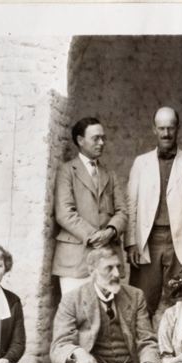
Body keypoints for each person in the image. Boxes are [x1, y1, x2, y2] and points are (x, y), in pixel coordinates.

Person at [124, 107, 182, 320]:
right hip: (148, 241)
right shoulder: (141, 163)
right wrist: (131, 242)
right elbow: (131, 204)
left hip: (181, 242)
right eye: (161, 129)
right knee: (141, 303)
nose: (166, 134)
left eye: (170, 128)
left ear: (178, 129)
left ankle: (176, 352)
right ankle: (141, 353)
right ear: (154, 130)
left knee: (180, 302)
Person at [52, 117, 128, 295]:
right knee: (76, 312)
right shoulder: (66, 171)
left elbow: (122, 212)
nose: (101, 143)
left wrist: (110, 231)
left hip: (107, 259)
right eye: (96, 138)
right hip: (75, 260)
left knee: (106, 313)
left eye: (103, 138)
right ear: (80, 140)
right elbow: (64, 213)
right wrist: (95, 236)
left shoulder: (110, 175)